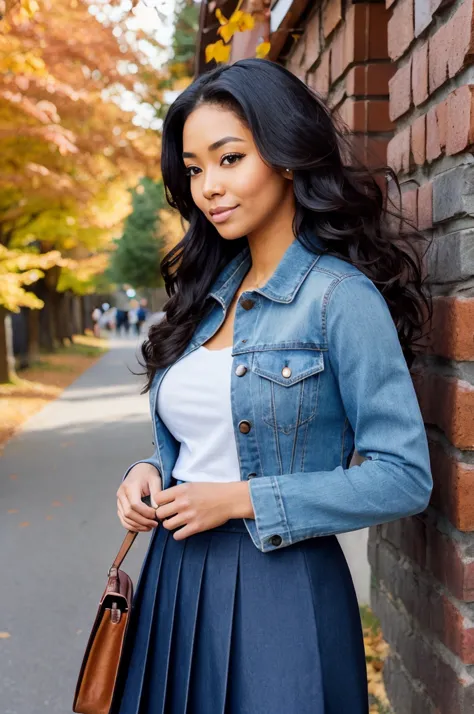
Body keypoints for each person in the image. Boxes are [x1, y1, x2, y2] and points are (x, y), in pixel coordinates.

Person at [115, 59, 433, 714]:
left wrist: (240, 500)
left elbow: (404, 475)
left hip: (281, 587)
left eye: (229, 158)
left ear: (286, 157)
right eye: (195, 169)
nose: (208, 187)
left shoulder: (339, 298)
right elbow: (208, 434)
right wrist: (149, 471)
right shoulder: (205, 297)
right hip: (173, 579)